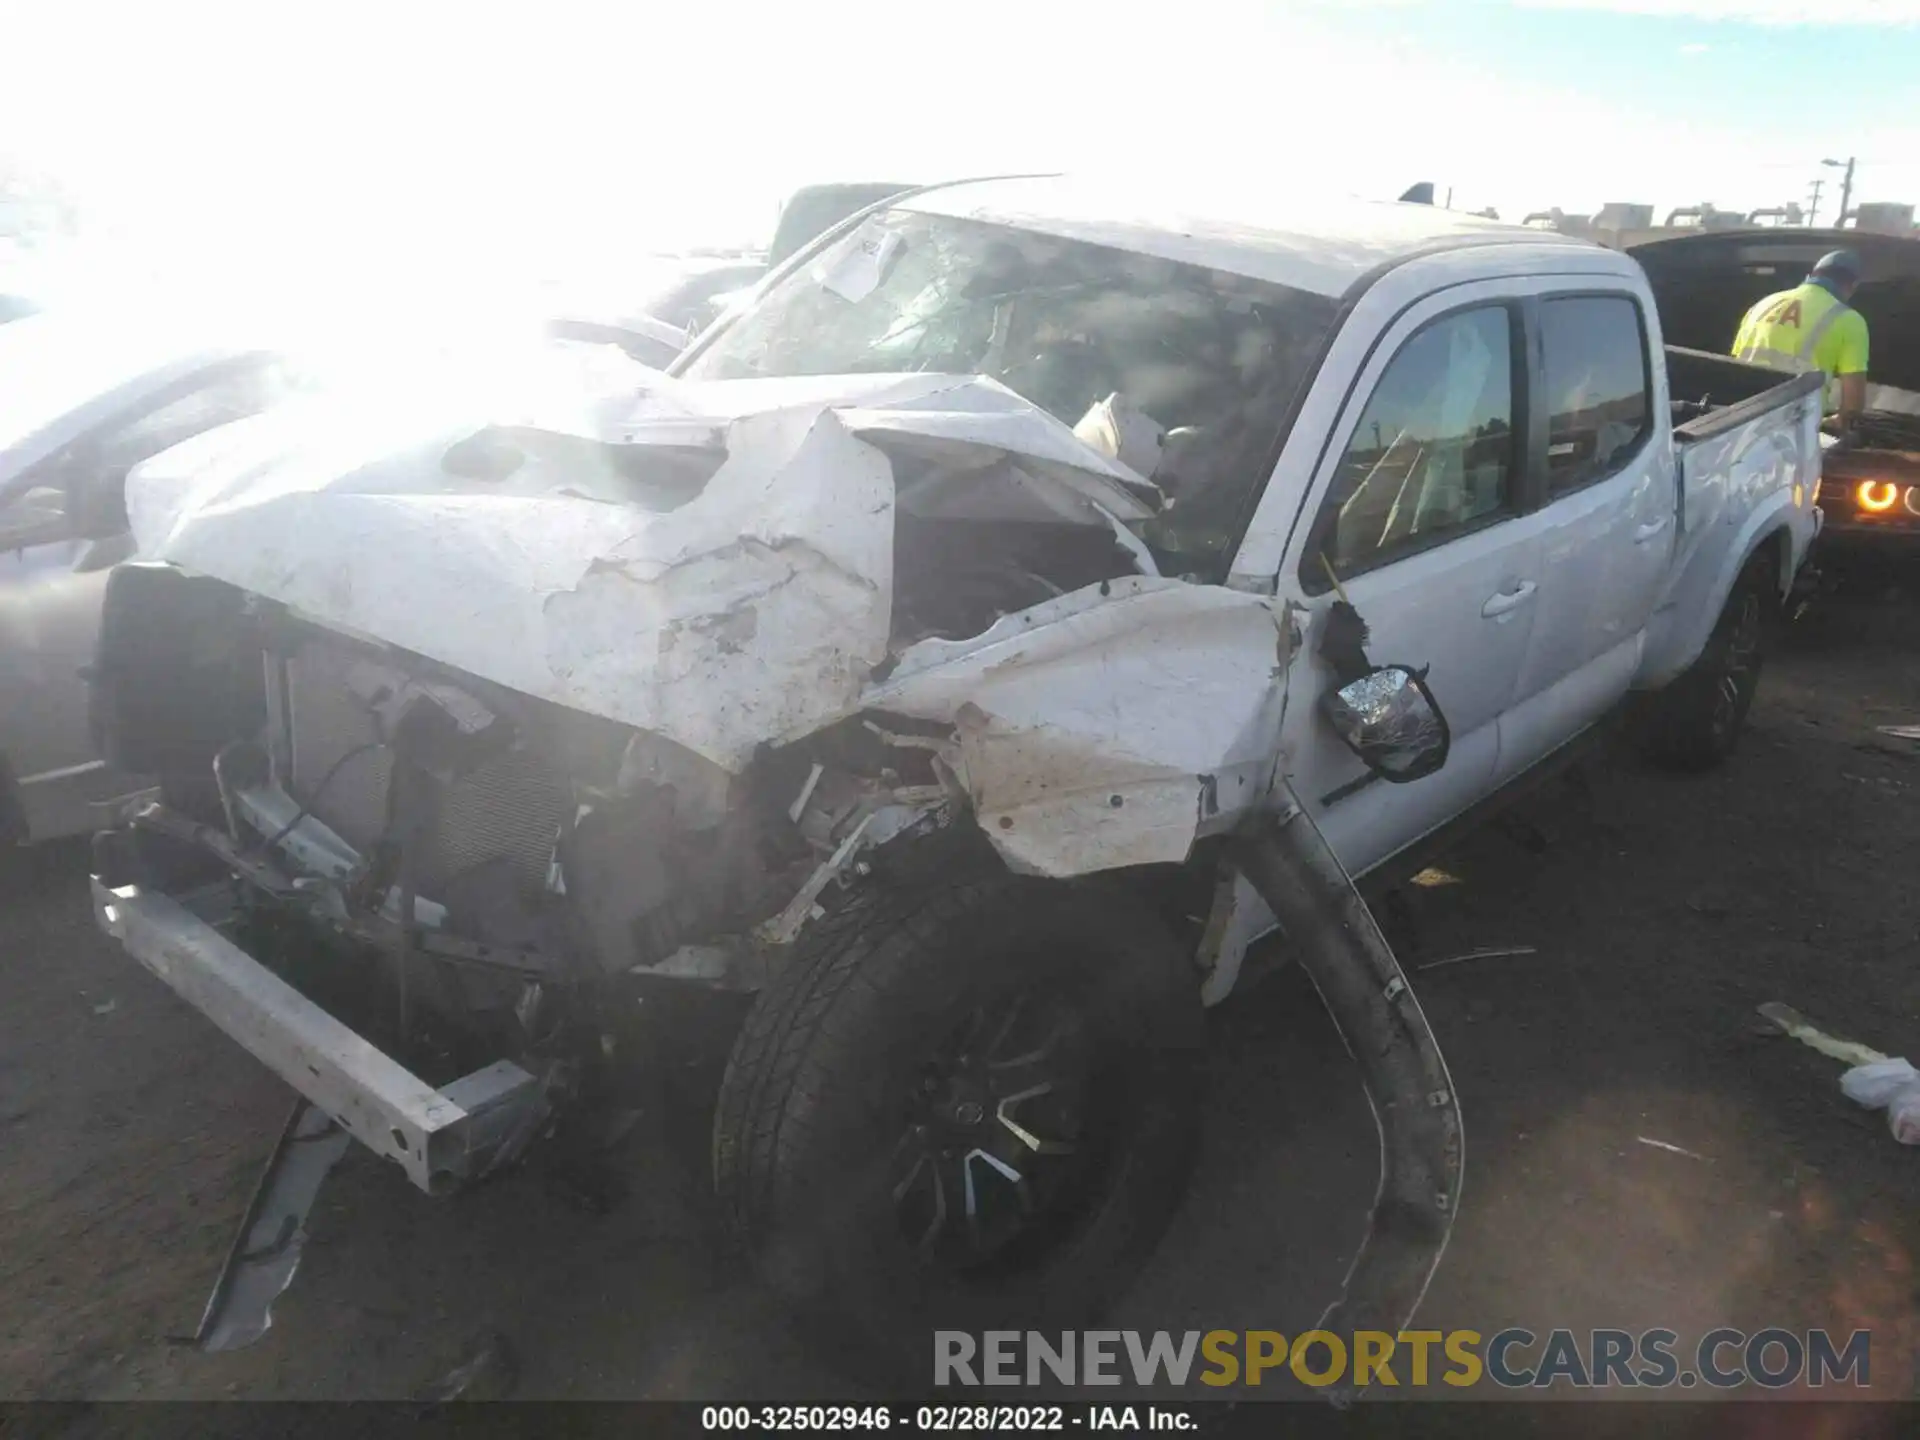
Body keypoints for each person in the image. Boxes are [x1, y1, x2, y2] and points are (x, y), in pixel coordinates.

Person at [1732, 249, 1870, 436]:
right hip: (1793, 432)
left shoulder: (1763, 304)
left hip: (1736, 426)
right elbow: (1852, 407)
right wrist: (1839, 421)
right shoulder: (1849, 320)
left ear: (1811, 275)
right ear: (1851, 286)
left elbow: (1734, 364)